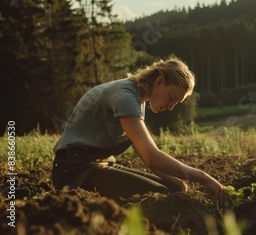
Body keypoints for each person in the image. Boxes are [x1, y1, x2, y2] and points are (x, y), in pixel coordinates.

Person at [52, 57, 228, 204]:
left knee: (174, 188)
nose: (171, 107)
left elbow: (145, 156)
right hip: (75, 171)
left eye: (176, 103)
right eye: (171, 98)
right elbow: (152, 157)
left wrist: (178, 182)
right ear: (159, 82)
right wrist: (203, 177)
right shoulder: (127, 98)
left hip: (100, 164)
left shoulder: (138, 101)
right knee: (158, 194)